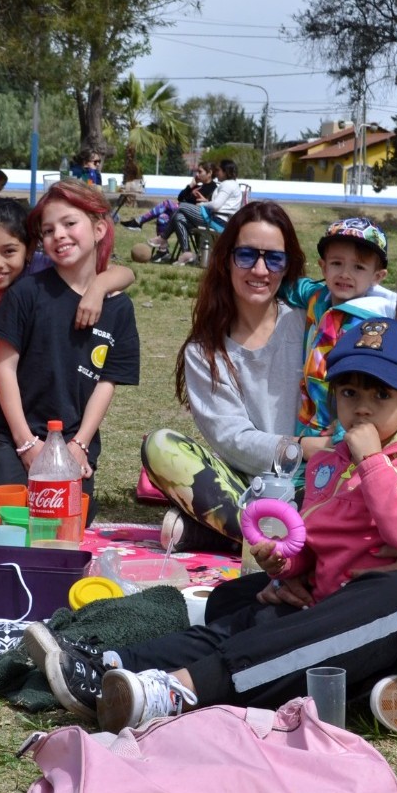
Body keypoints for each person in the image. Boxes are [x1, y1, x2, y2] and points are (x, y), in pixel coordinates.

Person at [28, 191, 397, 736]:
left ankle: (175, 692)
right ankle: (112, 666)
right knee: (258, 597)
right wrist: (313, 568)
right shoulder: (396, 374)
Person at [139, 201, 308, 552]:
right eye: (247, 255)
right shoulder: (204, 351)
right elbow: (233, 439)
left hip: (314, 482)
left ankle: (231, 535)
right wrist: (297, 448)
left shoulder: (309, 326)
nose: (260, 269)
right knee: (160, 447)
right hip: (243, 486)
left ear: (288, 266)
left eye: (274, 259)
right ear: (226, 259)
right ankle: (280, 540)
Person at [0, 197, 137, 521]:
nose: (59, 234)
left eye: (69, 224)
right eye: (48, 230)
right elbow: (4, 367)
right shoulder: (27, 291)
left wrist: (80, 444)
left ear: (99, 228)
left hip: (69, 435)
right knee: (5, 511)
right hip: (10, 430)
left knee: (68, 517)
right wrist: (26, 444)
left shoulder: (119, 308)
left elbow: (107, 381)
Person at [262, 318, 397, 602]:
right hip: (325, 602)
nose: (363, 408)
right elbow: (317, 543)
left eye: (382, 395)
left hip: (383, 607)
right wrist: (285, 562)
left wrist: (372, 461)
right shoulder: (325, 463)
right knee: (229, 605)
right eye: (349, 393)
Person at [287, 217, 397, 456]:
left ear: (377, 277)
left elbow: (367, 383)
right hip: (307, 421)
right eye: (337, 263)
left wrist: (343, 435)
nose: (345, 274)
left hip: (341, 433)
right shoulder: (318, 296)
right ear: (323, 266)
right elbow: (291, 286)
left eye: (358, 267)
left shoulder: (372, 325)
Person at [167, 159, 243, 265]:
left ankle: (162, 238)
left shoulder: (227, 185)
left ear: (225, 171)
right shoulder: (231, 185)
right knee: (179, 217)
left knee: (182, 206)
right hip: (217, 218)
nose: (217, 172)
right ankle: (186, 253)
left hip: (217, 220)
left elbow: (216, 205)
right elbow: (220, 204)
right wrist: (207, 202)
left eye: (219, 170)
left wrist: (202, 204)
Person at [125, 162, 215, 245]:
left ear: (209, 173)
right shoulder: (198, 186)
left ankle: (139, 221)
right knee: (162, 217)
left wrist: (190, 197)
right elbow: (180, 197)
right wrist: (191, 186)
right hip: (182, 213)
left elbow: (197, 203)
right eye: (196, 172)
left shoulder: (212, 187)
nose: (197, 174)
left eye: (200, 172)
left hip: (193, 218)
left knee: (167, 203)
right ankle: (163, 252)